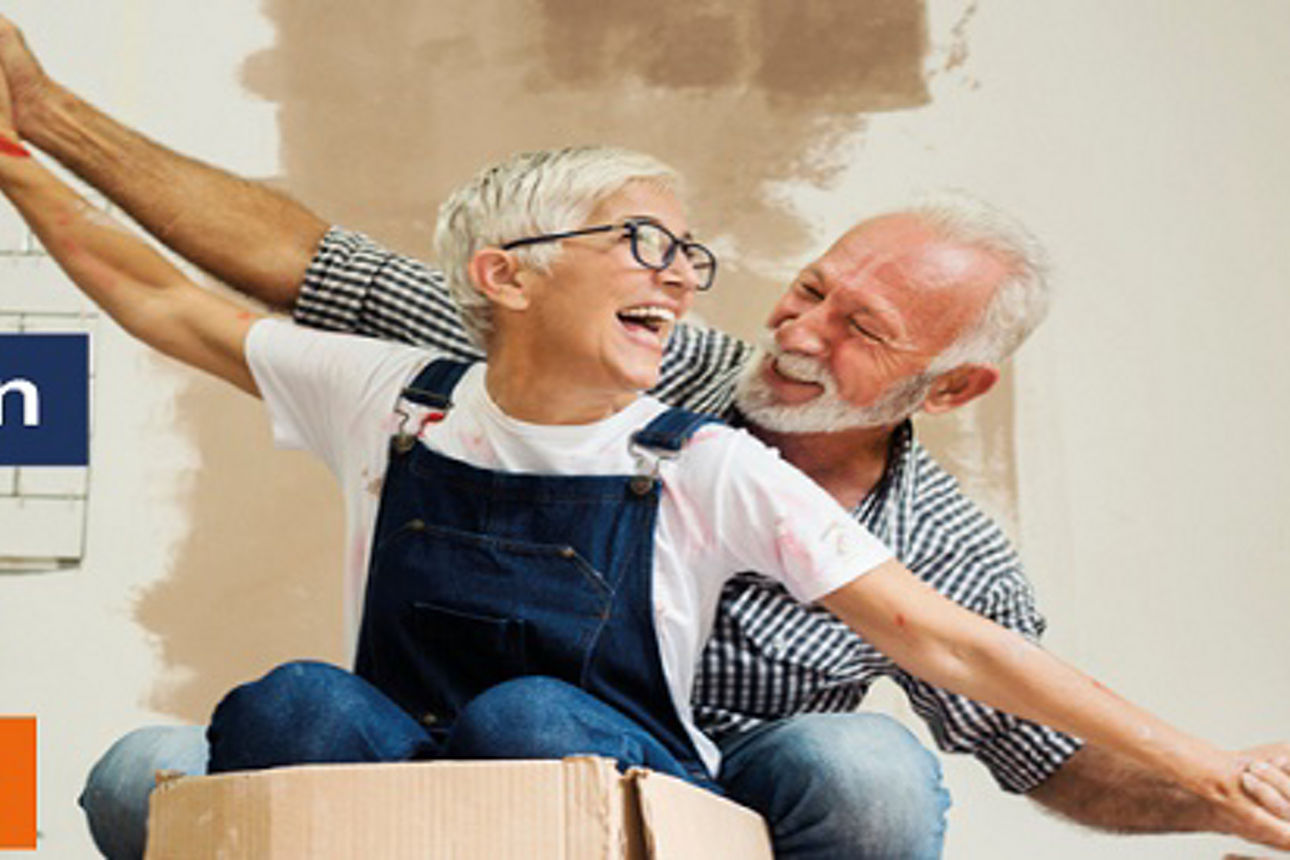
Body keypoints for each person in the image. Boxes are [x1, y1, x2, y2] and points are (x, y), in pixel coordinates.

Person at [0, 18, 1287, 860]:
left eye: (859, 329)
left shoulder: (725, 466)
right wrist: (31, 131)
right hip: (412, 759)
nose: (792, 330)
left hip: (688, 801)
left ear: (948, 388)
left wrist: (1223, 779)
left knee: (852, 764)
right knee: (183, 752)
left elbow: (978, 665)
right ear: (503, 281)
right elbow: (241, 285)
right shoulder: (445, 384)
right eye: (809, 287)